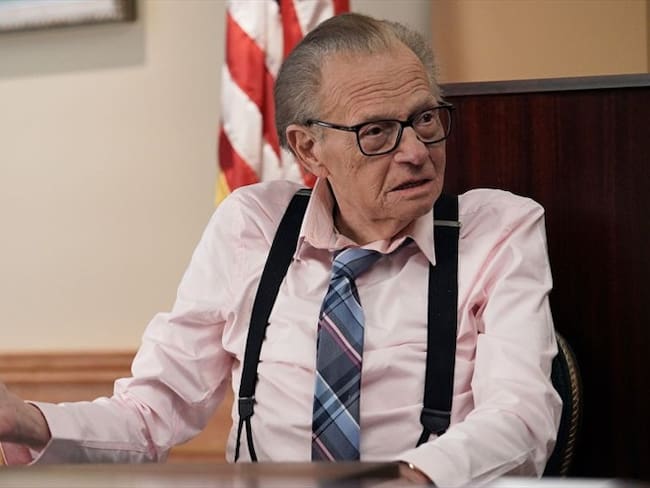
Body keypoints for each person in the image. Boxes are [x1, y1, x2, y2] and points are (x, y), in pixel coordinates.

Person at [0, 13, 561, 487]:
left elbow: (521, 415)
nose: (415, 151)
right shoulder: (251, 225)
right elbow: (151, 416)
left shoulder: (499, 229)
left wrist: (413, 479)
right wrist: (23, 420)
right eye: (377, 132)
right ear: (309, 149)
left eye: (425, 119)